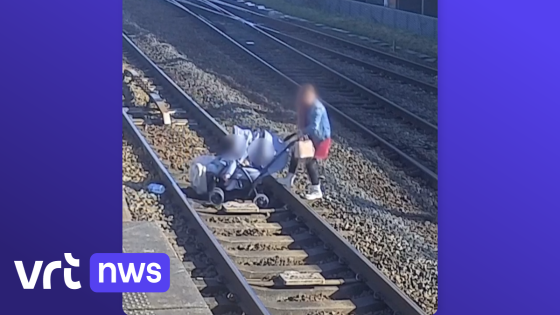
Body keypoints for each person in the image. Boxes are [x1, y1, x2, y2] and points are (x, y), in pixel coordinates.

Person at [278, 84, 331, 200]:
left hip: (320, 139)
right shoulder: (310, 105)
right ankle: (289, 178)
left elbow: (314, 127)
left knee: (309, 162)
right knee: (296, 151)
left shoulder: (317, 108)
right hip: (313, 136)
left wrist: (302, 133)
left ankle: (316, 189)